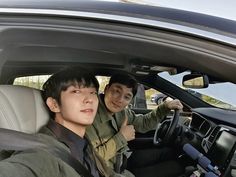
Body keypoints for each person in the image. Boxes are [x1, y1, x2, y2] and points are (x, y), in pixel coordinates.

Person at [0, 67, 115, 177]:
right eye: (76, 91)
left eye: (93, 92)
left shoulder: (83, 141)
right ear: (54, 105)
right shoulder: (44, 153)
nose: (89, 99)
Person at [85, 73, 184, 177]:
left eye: (127, 97)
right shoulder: (89, 116)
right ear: (106, 89)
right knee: (175, 168)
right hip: (110, 171)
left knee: (169, 153)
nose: (120, 100)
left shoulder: (122, 112)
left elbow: (144, 123)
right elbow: (91, 159)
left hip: (123, 158)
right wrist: (121, 138)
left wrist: (165, 107)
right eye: (116, 91)